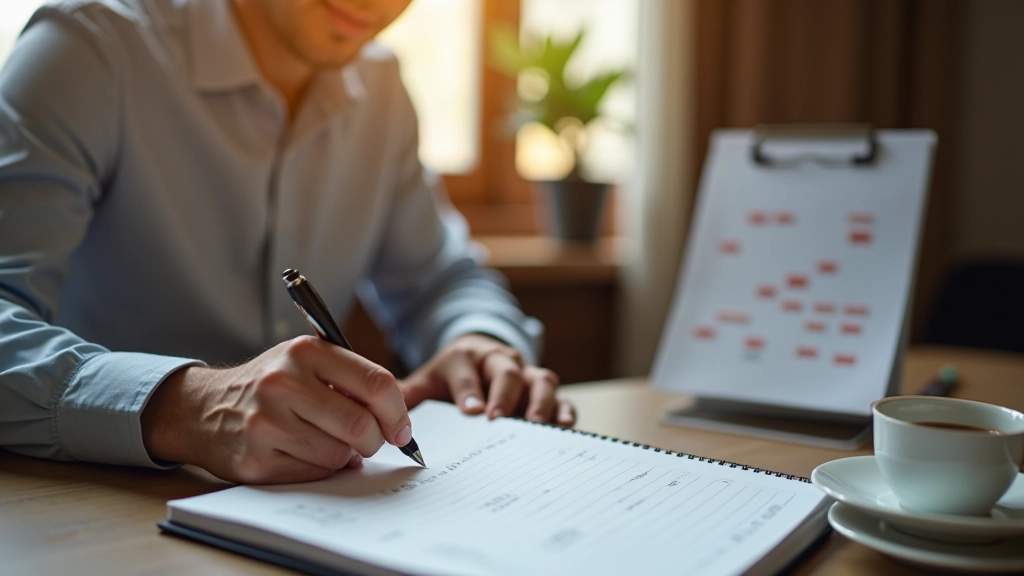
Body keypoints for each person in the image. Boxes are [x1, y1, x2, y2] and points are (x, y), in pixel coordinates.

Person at [0, 0, 574, 484]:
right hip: (96, 507)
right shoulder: (89, 48)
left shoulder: (381, 86)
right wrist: (183, 408)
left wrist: (479, 340)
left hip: (312, 511)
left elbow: (441, 281)